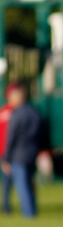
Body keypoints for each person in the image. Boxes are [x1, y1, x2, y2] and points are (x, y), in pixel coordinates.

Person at [1, 84, 42, 218]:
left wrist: (6, 158)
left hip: (18, 155)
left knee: (22, 186)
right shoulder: (35, 112)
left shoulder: (16, 114)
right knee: (30, 185)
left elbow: (11, 137)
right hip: (32, 153)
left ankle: (28, 214)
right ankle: (33, 210)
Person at [0, 85, 14, 214]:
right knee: (7, 182)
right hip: (7, 152)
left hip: (18, 152)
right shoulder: (4, 112)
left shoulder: (20, 111)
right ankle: (6, 207)